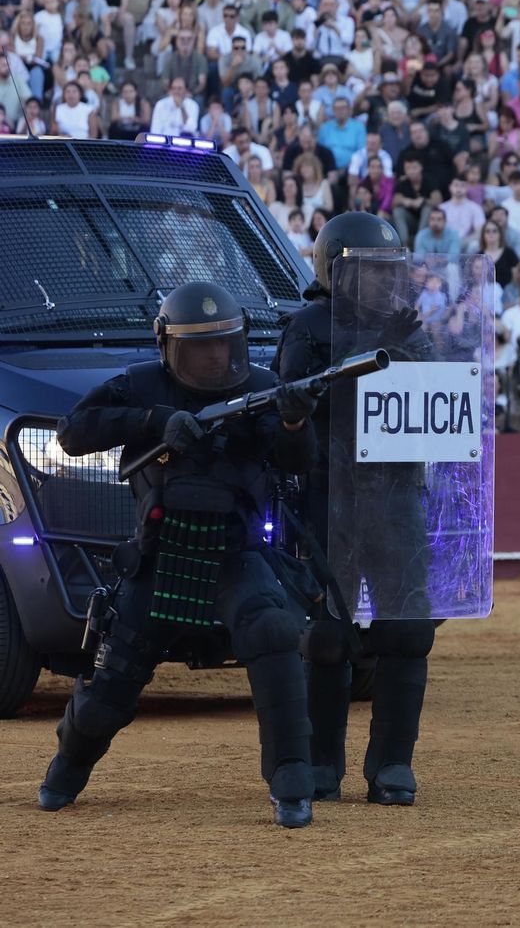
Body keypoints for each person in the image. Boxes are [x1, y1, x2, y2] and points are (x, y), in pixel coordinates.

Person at [39, 282, 320, 827]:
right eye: (200, 345)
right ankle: (66, 768)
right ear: (170, 347)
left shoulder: (264, 388)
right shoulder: (141, 384)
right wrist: (151, 421)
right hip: (159, 558)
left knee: (274, 632)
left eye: (224, 342)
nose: (215, 355)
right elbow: (72, 432)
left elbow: (297, 462)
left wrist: (295, 421)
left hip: (235, 556)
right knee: (111, 685)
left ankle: (292, 779)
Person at [274, 211, 439, 806]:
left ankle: (393, 763)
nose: (386, 281)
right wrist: (373, 350)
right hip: (329, 498)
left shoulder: (408, 327)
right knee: (327, 638)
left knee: (408, 631)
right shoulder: (307, 329)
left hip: (396, 498)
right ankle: (322, 764)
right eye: (372, 271)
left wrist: (408, 351)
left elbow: (435, 409)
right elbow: (290, 415)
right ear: (335, 271)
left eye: (391, 270)